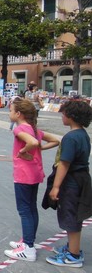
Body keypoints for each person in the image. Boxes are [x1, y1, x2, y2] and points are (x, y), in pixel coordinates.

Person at [3, 98, 59, 262]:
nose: (9, 113)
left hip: (24, 175)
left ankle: (28, 248)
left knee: (24, 210)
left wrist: (24, 151)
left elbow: (33, 142)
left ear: (18, 114)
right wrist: (39, 147)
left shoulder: (20, 129)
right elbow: (55, 140)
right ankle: (28, 241)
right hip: (35, 173)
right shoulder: (34, 128)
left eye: (11, 110)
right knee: (31, 208)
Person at [44, 101, 92, 267]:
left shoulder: (71, 138)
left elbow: (64, 163)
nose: (61, 116)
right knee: (74, 216)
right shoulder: (83, 134)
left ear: (71, 117)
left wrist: (56, 187)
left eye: (63, 113)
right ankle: (73, 248)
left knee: (70, 216)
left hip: (71, 181)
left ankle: (73, 255)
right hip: (82, 178)